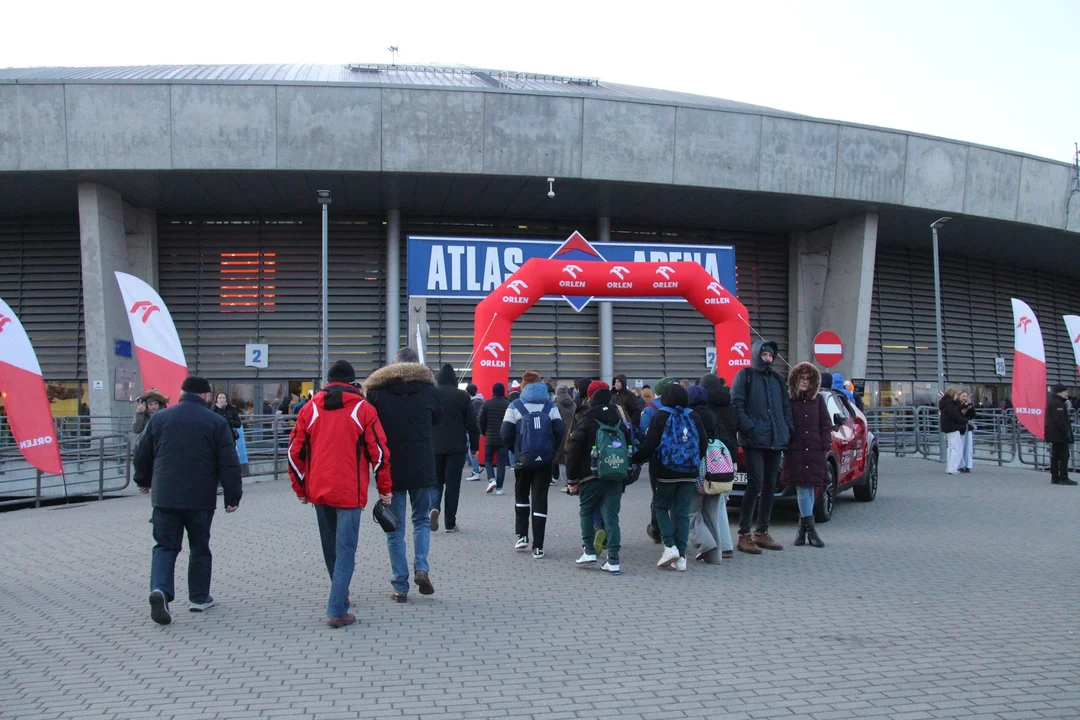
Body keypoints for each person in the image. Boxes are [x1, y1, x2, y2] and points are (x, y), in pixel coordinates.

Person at [287, 360, 393, 628]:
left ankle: (340, 593)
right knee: (346, 549)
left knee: (330, 548)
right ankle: (337, 608)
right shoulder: (363, 409)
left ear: (327, 381)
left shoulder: (309, 409)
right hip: (349, 491)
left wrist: (301, 489)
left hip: (319, 490)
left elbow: (294, 453)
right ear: (352, 382)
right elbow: (379, 454)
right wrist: (384, 490)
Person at [133, 376, 241, 625]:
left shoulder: (160, 418)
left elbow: (142, 452)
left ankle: (160, 590)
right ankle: (199, 598)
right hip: (200, 498)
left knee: (164, 546)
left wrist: (143, 479)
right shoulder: (216, 421)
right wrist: (233, 495)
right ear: (205, 396)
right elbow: (228, 462)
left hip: (165, 495)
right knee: (200, 547)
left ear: (181, 393)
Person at [363, 347, 442, 602]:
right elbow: (437, 419)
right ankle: (422, 568)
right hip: (422, 465)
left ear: (393, 365)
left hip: (391, 467)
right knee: (420, 521)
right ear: (417, 365)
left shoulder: (376, 393)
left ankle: (400, 586)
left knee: (394, 528)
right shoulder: (430, 390)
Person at [631, 382, 707, 571]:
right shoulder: (694, 416)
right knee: (682, 512)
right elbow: (703, 444)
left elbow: (650, 445)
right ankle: (681, 557)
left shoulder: (661, 416)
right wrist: (693, 461)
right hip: (689, 471)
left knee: (661, 507)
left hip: (665, 471)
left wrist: (635, 459)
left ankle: (670, 546)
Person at [731, 340, 793, 554]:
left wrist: (787, 429)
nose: (768, 358)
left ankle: (762, 532)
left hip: (775, 439)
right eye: (765, 355)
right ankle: (744, 533)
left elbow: (786, 407)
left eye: (770, 355)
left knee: (770, 485)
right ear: (757, 354)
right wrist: (750, 428)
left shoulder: (777, 379)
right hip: (753, 439)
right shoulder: (745, 375)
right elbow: (736, 404)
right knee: (755, 484)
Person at [501, 370, 565, 558]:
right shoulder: (550, 406)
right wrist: (550, 450)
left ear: (523, 385)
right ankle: (539, 546)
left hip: (523, 459)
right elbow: (560, 430)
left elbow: (505, 433)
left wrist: (516, 450)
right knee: (540, 497)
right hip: (545, 460)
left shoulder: (515, 405)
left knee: (521, 494)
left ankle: (522, 536)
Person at [567, 381, 626, 574]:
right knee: (612, 516)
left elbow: (573, 450)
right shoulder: (619, 421)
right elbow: (631, 446)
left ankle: (589, 551)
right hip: (615, 475)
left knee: (586, 511)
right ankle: (614, 560)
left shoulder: (587, 420)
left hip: (590, 475)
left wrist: (572, 479)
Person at [780, 363, 831, 548]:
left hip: (815, 450)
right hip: (796, 451)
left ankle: (802, 533)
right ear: (795, 380)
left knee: (811, 489)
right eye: (801, 378)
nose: (805, 382)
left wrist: (824, 443)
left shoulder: (818, 400)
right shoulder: (789, 401)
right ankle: (812, 531)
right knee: (802, 489)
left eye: (808, 379)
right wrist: (787, 443)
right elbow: (784, 423)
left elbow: (826, 423)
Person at [686, 384, 733, 564]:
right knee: (712, 516)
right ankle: (716, 556)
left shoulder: (691, 417)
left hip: (699, 472)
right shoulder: (713, 415)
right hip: (717, 472)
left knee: (691, 513)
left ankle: (707, 544)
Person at [431, 363, 480, 533]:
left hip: (434, 447)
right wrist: (474, 446)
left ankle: (434, 507)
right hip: (456, 448)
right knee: (453, 486)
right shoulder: (463, 396)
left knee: (436, 482)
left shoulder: (431, 395)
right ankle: (450, 523)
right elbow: (472, 423)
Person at [640, 376, 677, 543]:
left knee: (658, 495)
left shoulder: (651, 408)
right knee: (679, 498)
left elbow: (643, 434)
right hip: (682, 459)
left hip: (658, 458)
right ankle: (676, 531)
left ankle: (657, 530)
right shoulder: (684, 407)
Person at [1045, 384, 1076, 485]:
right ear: (1059, 392)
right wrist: (1066, 432)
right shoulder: (1058, 404)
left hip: (1055, 435)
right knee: (1064, 456)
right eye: (1065, 392)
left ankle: (1055, 477)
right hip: (1059, 435)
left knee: (1055, 455)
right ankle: (1063, 477)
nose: (1067, 394)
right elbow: (1059, 420)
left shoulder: (1053, 401)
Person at [939, 389, 967, 475]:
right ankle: (953, 468)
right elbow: (954, 415)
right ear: (952, 395)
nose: (956, 397)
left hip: (947, 427)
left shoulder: (944, 403)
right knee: (956, 449)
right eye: (955, 395)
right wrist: (965, 421)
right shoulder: (950, 404)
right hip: (953, 427)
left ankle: (950, 467)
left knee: (951, 448)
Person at [553, 384, 576, 485]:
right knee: (570, 458)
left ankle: (566, 483)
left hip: (561, 434)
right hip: (572, 432)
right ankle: (572, 479)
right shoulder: (573, 403)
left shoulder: (556, 405)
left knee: (561, 459)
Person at [465, 385, 484, 481]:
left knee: (470, 449)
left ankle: (476, 471)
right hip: (477, 429)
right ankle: (476, 468)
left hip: (472, 429)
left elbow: (472, 418)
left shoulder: (473, 403)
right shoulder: (480, 402)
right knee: (469, 449)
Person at [956, 390, 976, 473]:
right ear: (959, 396)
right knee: (961, 447)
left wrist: (970, 409)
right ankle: (961, 465)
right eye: (963, 396)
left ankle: (968, 465)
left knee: (968, 447)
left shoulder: (969, 405)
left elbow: (973, 415)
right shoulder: (956, 405)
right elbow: (957, 415)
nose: (964, 398)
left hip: (968, 428)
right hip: (960, 428)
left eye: (965, 396)